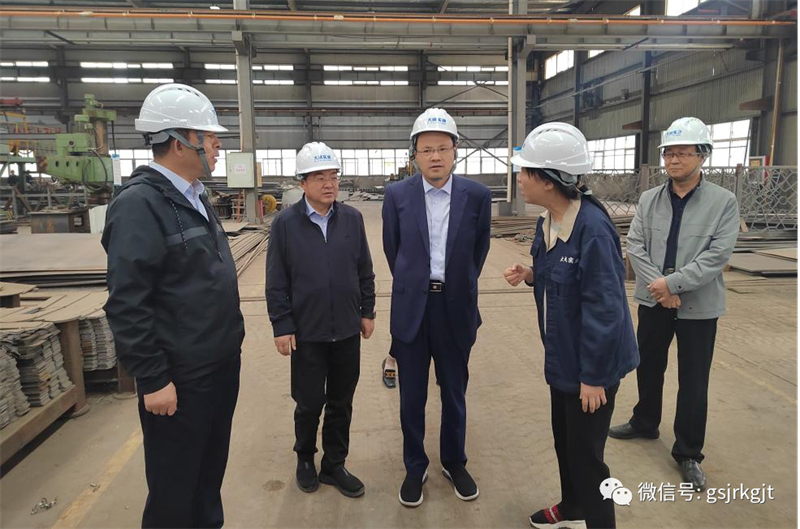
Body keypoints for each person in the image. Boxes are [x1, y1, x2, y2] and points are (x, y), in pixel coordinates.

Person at [102, 83, 244, 528]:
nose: (218, 145)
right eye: (210, 136)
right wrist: (153, 378)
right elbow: (127, 302)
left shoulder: (195, 194)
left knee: (208, 476)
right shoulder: (139, 205)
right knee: (174, 487)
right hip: (180, 379)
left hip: (218, 366)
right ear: (180, 141)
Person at [504, 122, 638, 529]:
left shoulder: (592, 229)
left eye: (525, 171)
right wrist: (532, 274)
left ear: (548, 180)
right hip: (563, 357)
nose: (519, 178)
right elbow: (563, 276)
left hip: (591, 367)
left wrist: (594, 377)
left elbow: (606, 309)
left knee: (588, 459)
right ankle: (572, 507)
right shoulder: (550, 221)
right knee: (565, 442)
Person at [608, 117, 740, 492]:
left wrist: (673, 283)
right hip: (654, 301)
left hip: (699, 306)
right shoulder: (649, 200)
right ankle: (645, 422)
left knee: (694, 379)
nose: (674, 160)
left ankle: (688, 452)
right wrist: (661, 287)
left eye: (683, 153)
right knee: (648, 364)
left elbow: (717, 255)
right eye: (669, 153)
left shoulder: (723, 202)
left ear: (702, 155)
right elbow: (636, 245)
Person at [383, 108, 492, 507]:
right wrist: (416, 283)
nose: (435, 157)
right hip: (413, 308)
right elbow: (393, 251)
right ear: (414, 154)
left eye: (442, 148)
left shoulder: (477, 196)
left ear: (455, 150)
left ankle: (454, 462)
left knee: (454, 392)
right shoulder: (397, 195)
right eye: (427, 149)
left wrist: (455, 284)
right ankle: (415, 467)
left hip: (455, 308)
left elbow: (479, 251)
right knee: (411, 397)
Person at [266, 142, 376, 498]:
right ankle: (304, 458)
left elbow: (364, 270)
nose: (329, 184)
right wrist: (282, 325)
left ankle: (334, 464)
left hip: (346, 330)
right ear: (302, 183)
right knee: (309, 402)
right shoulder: (285, 224)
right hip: (307, 333)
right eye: (319, 177)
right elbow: (276, 280)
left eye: (333, 176)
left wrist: (367, 311)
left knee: (341, 402)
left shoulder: (352, 219)